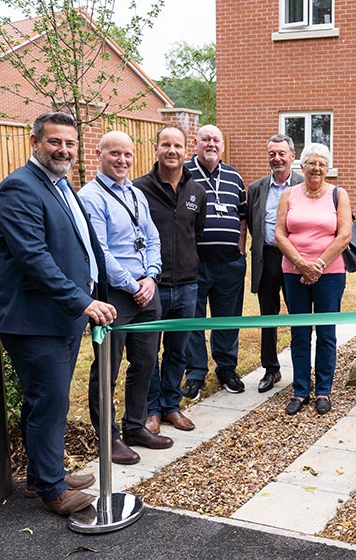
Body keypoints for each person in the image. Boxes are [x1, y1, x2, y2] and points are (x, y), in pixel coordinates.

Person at [0, 112, 116, 515]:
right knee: (50, 403)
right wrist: (81, 301)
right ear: (35, 143)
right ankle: (52, 489)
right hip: (35, 321)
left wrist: (95, 290)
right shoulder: (19, 188)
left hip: (62, 318)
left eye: (69, 143)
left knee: (44, 402)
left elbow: (83, 246)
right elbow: (33, 258)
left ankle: (40, 474)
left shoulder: (61, 186)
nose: (63, 149)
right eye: (54, 142)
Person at [78, 131, 173, 466]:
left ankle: (135, 426)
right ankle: (109, 437)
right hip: (114, 294)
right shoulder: (91, 197)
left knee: (146, 361)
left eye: (127, 155)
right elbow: (98, 252)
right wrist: (132, 285)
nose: (122, 161)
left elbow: (151, 236)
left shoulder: (135, 193)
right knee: (107, 368)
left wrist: (151, 276)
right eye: (115, 154)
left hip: (147, 290)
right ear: (100, 155)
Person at [134, 125, 206, 434]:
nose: (172, 151)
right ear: (156, 149)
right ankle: (151, 410)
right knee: (149, 351)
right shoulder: (139, 190)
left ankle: (171, 406)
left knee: (179, 350)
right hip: (153, 286)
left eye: (177, 145)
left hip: (188, 285)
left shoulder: (196, 191)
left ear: (186, 149)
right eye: (166, 145)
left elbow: (197, 233)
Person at [274, 143, 351, 416]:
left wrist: (317, 265)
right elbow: (280, 234)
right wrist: (300, 264)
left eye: (321, 164)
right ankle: (300, 390)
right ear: (302, 166)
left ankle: (323, 391)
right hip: (293, 273)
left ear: (328, 169)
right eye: (311, 163)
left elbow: (344, 236)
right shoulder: (289, 195)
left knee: (326, 333)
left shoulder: (338, 195)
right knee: (300, 333)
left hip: (329, 274)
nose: (316, 168)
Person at [182, 125, 248, 398]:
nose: (211, 144)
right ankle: (195, 372)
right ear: (195, 143)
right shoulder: (184, 173)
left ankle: (226, 368)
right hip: (194, 263)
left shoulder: (234, 176)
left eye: (216, 140)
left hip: (229, 264)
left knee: (228, 319)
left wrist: (241, 247)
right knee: (193, 320)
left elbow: (242, 214)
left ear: (222, 145)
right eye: (205, 139)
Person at [247, 134, 304, 393]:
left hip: (295, 258)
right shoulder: (256, 188)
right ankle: (271, 369)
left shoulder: (304, 184)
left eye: (282, 153)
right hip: (267, 257)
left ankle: (302, 370)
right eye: (272, 153)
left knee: (299, 315)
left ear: (292, 156)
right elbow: (251, 222)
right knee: (268, 316)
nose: (277, 158)